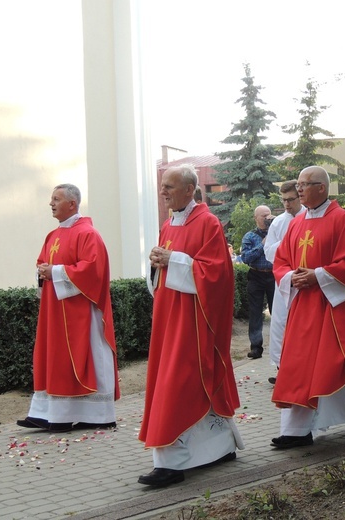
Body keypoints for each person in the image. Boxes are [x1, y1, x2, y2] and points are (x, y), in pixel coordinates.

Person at [138, 164, 242, 488]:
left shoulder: (207, 223)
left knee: (178, 384)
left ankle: (171, 463)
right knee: (184, 383)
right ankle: (220, 446)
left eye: (169, 186)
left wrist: (175, 261)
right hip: (169, 318)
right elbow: (162, 276)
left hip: (195, 322)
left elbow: (218, 274)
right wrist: (156, 264)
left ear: (189, 190)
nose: (163, 192)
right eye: (162, 186)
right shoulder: (168, 224)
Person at [270, 166, 345, 449]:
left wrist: (318, 275)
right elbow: (281, 262)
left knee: (341, 357)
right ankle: (297, 430)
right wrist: (293, 277)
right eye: (299, 185)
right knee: (300, 362)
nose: (299, 189)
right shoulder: (296, 223)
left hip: (334, 301)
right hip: (304, 302)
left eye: (306, 184)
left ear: (322, 188)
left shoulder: (341, 220)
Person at [17, 184, 119, 434]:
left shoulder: (88, 234)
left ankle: (97, 415)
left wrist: (56, 272)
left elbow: (93, 269)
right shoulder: (53, 236)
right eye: (51, 199)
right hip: (54, 310)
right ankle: (47, 413)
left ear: (72, 204)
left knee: (87, 357)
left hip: (80, 313)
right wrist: (43, 271)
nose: (51, 204)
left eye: (56, 199)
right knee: (53, 358)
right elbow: (43, 261)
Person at [263, 180, 304, 385]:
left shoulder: (310, 217)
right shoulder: (279, 222)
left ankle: (305, 370)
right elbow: (269, 251)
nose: (287, 204)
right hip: (285, 281)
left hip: (307, 281)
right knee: (281, 323)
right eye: (284, 200)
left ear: (300, 196)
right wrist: (288, 241)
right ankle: (283, 370)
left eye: (291, 199)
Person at [240, 205, 276, 359]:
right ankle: (256, 348)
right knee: (255, 313)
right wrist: (263, 244)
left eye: (268, 215)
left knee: (278, 312)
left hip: (274, 275)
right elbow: (246, 258)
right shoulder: (249, 236)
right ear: (256, 218)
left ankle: (281, 346)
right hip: (256, 276)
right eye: (263, 216)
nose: (267, 218)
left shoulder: (277, 233)